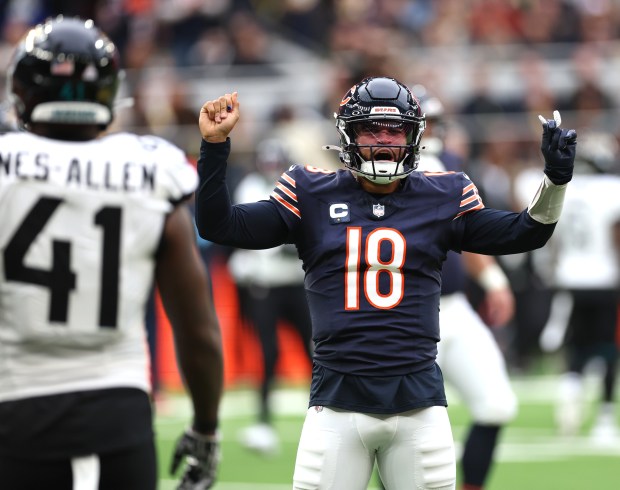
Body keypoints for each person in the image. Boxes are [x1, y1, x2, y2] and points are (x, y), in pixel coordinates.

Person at [195, 77, 577, 490]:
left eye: (394, 130)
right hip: (336, 405)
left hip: (419, 407)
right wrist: (215, 148)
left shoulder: (443, 193)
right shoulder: (310, 192)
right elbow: (220, 225)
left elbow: (527, 232)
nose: (383, 141)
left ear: (413, 136)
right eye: (370, 130)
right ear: (347, 135)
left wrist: (555, 180)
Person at [0, 16, 223, 490]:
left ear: (21, 90)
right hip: (114, 407)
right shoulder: (149, 168)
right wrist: (206, 427)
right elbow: (198, 328)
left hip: (14, 403)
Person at [415, 91, 518, 490]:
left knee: (496, 403)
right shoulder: (381, 175)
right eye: (426, 124)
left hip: (454, 307)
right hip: (405, 311)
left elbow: (469, 234)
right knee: (394, 423)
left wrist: (494, 280)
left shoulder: (452, 167)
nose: (433, 133)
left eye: (436, 124)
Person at [229, 138, 313, 454]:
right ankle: (263, 420)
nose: (272, 171)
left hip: (295, 283)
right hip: (263, 285)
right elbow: (259, 241)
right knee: (268, 353)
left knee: (316, 350)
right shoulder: (251, 189)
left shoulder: (300, 189)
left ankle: (325, 410)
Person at [536, 131, 620, 442]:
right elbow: (616, 236)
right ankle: (605, 419)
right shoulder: (612, 189)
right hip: (604, 279)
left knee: (575, 349)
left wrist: (554, 272)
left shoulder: (565, 189)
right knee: (608, 349)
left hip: (570, 279)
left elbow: (552, 239)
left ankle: (569, 408)